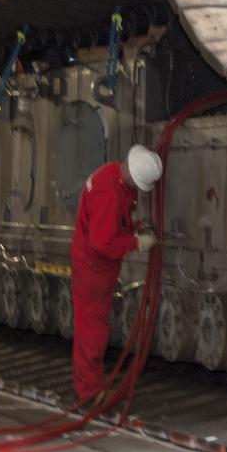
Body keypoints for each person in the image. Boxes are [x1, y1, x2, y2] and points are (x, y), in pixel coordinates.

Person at [70, 144, 163, 403]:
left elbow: (114, 222)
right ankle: (90, 391)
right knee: (94, 330)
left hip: (94, 265)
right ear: (135, 177)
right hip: (94, 266)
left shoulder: (113, 175)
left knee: (91, 327)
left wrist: (134, 227)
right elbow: (103, 242)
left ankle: (90, 384)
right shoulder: (109, 193)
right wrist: (136, 242)